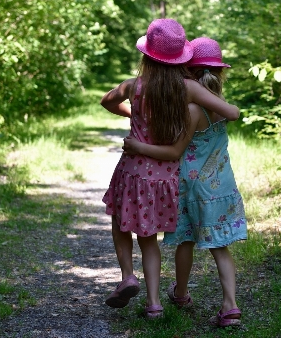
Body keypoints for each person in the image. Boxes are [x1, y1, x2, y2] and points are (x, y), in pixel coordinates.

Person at [101, 20, 240, 319]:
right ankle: (155, 304)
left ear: (146, 56)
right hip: (166, 176)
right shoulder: (187, 89)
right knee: (150, 237)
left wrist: (133, 111)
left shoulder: (133, 85)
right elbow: (231, 113)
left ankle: (128, 276)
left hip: (133, 169)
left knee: (122, 223)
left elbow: (107, 101)